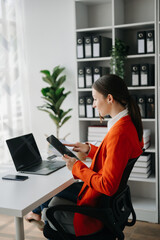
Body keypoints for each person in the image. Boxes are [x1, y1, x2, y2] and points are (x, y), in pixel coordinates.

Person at [25, 74, 144, 237]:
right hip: (99, 198)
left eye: (95, 99)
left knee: (51, 192)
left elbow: (108, 185)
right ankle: (37, 213)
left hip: (95, 201)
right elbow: (115, 157)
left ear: (109, 98)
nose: (94, 105)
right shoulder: (128, 123)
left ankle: (38, 214)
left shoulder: (119, 132)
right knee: (53, 190)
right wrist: (89, 150)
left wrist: (77, 166)